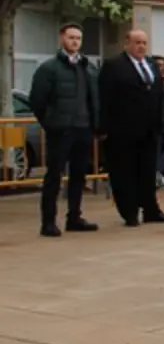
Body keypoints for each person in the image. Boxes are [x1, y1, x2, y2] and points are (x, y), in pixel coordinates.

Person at [28, 23, 100, 237]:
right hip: (60, 130)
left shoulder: (89, 68)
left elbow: (94, 99)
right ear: (62, 38)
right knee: (54, 175)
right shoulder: (49, 68)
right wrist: (50, 123)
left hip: (83, 128)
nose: (75, 41)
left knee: (79, 174)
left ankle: (74, 217)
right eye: (71, 37)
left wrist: (95, 124)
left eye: (78, 38)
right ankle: (48, 221)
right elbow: (37, 100)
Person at [98, 30, 164, 227]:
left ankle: (151, 209)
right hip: (122, 131)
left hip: (150, 130)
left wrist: (162, 120)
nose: (141, 46)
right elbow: (105, 98)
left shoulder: (150, 65)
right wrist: (103, 128)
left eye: (144, 43)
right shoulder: (114, 66)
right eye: (137, 42)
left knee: (148, 172)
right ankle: (129, 212)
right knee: (125, 173)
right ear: (127, 43)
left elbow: (159, 95)